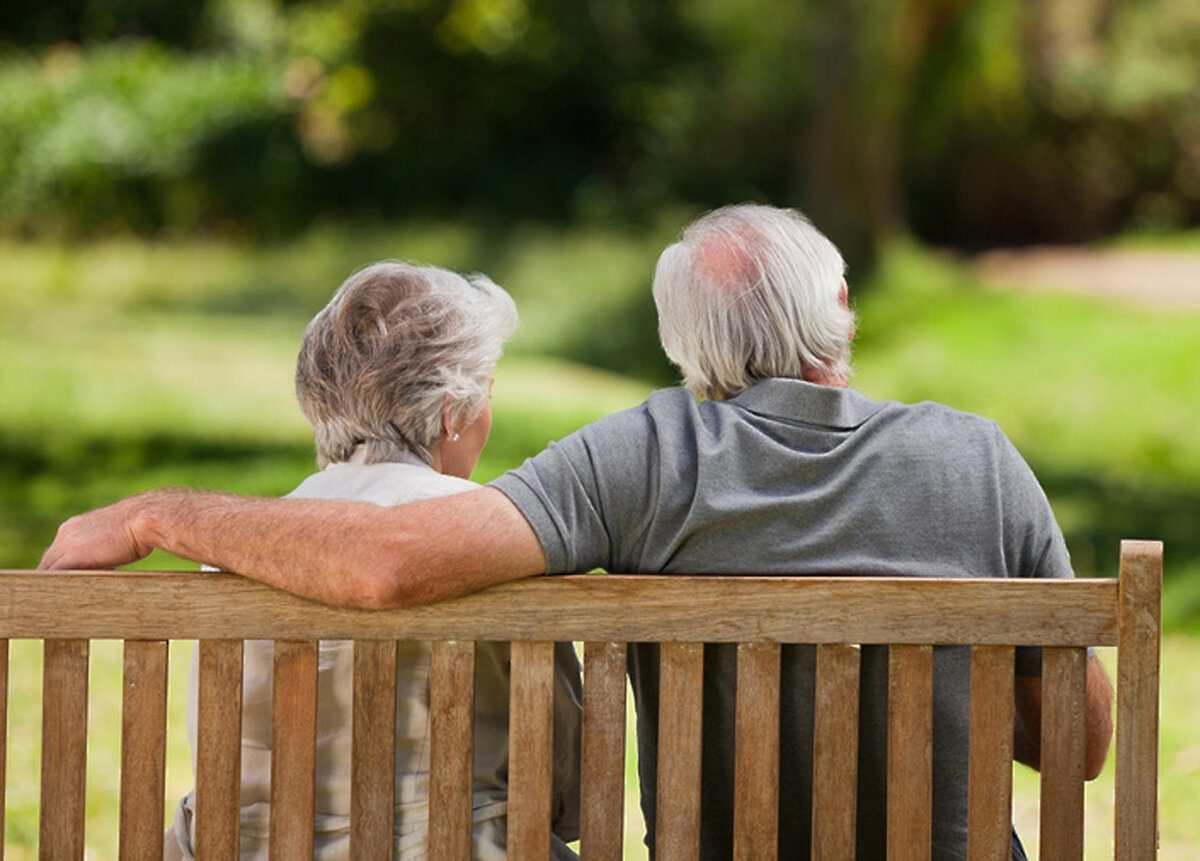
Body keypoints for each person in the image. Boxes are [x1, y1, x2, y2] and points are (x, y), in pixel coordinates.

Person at [44, 205, 1112, 860]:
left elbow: (385, 561)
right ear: (841, 300)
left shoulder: (649, 453)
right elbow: (1080, 746)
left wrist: (158, 512)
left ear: (681, 346)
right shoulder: (981, 457)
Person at [161, 261, 582, 860]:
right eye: (487, 395)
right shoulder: (496, 540)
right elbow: (562, 781)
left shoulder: (237, 546)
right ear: (450, 413)